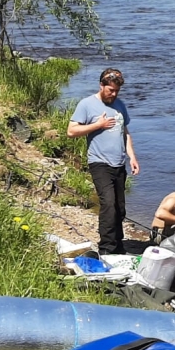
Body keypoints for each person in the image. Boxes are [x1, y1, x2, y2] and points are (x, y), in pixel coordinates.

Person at [68, 68, 140, 255]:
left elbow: (125, 133)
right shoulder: (87, 104)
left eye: (116, 91)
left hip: (119, 163)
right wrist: (98, 125)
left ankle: (118, 244)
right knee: (108, 204)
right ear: (101, 85)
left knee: (119, 207)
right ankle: (106, 248)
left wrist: (132, 157)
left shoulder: (120, 105)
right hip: (99, 163)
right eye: (110, 90)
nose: (113, 94)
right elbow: (71, 131)